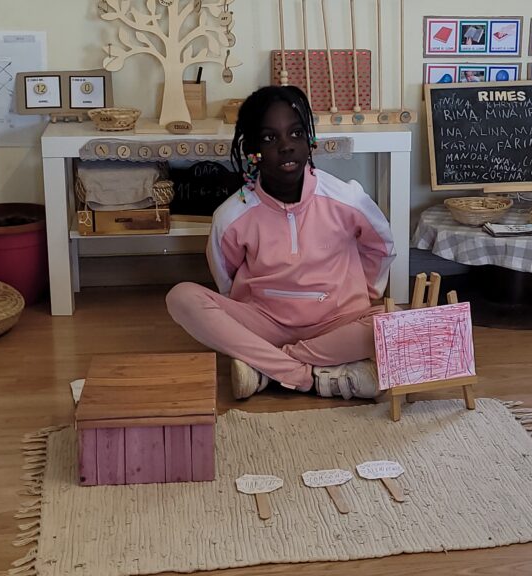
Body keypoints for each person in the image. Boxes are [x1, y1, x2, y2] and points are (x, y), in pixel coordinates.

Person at [166, 86, 395, 401]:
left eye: (296, 133)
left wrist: (365, 293)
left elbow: (381, 246)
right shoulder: (232, 215)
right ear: (252, 150)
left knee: (395, 325)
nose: (286, 146)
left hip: (337, 320)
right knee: (181, 297)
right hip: (265, 323)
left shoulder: (347, 198)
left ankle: (267, 367)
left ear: (309, 140)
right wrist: (244, 315)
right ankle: (309, 376)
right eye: (270, 138)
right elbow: (225, 278)